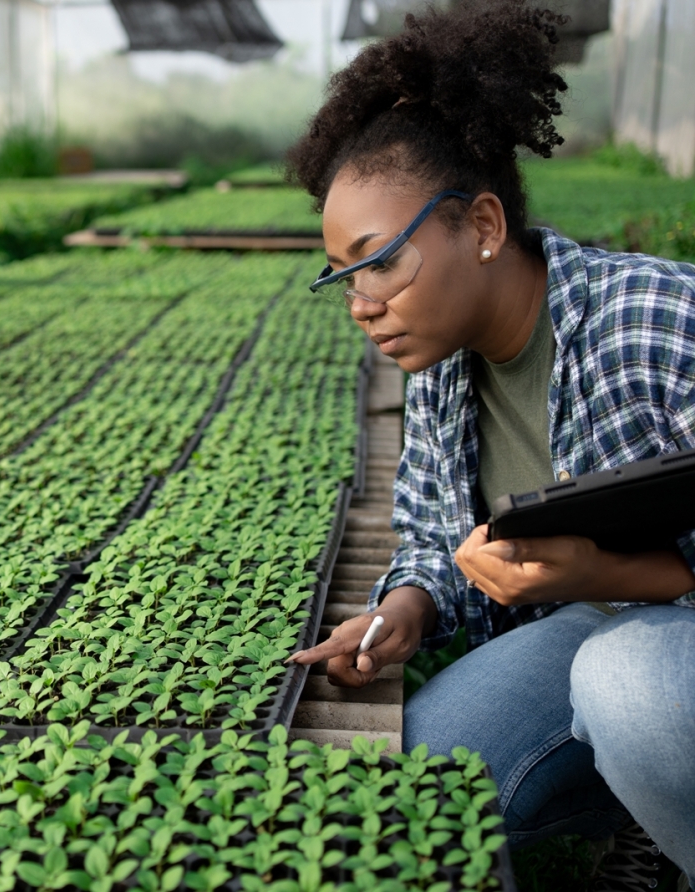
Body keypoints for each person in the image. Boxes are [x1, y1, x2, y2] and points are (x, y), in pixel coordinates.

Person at [282, 2, 695, 889]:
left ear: (482, 227)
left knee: (632, 681)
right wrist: (410, 609)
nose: (362, 303)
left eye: (380, 261)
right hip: (589, 635)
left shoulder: (655, 322)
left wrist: (611, 577)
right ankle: (647, 798)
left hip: (660, 643)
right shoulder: (440, 369)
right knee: (421, 781)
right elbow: (439, 544)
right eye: (343, 278)